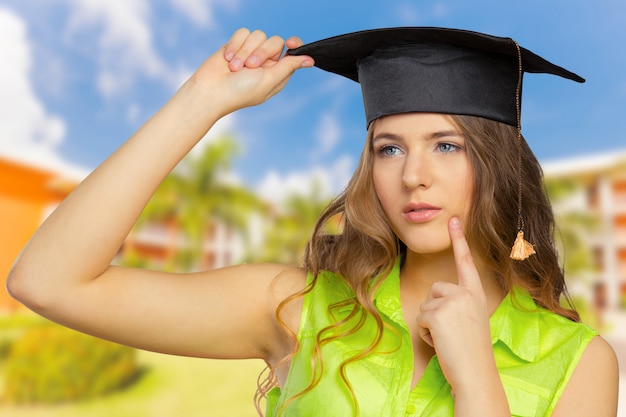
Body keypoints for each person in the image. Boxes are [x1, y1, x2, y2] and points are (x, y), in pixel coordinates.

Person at [6, 27, 619, 417]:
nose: (414, 176)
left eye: (447, 145)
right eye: (390, 148)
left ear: (500, 167)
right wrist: (203, 99)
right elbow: (49, 282)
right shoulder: (298, 308)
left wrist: (477, 381)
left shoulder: (579, 362)